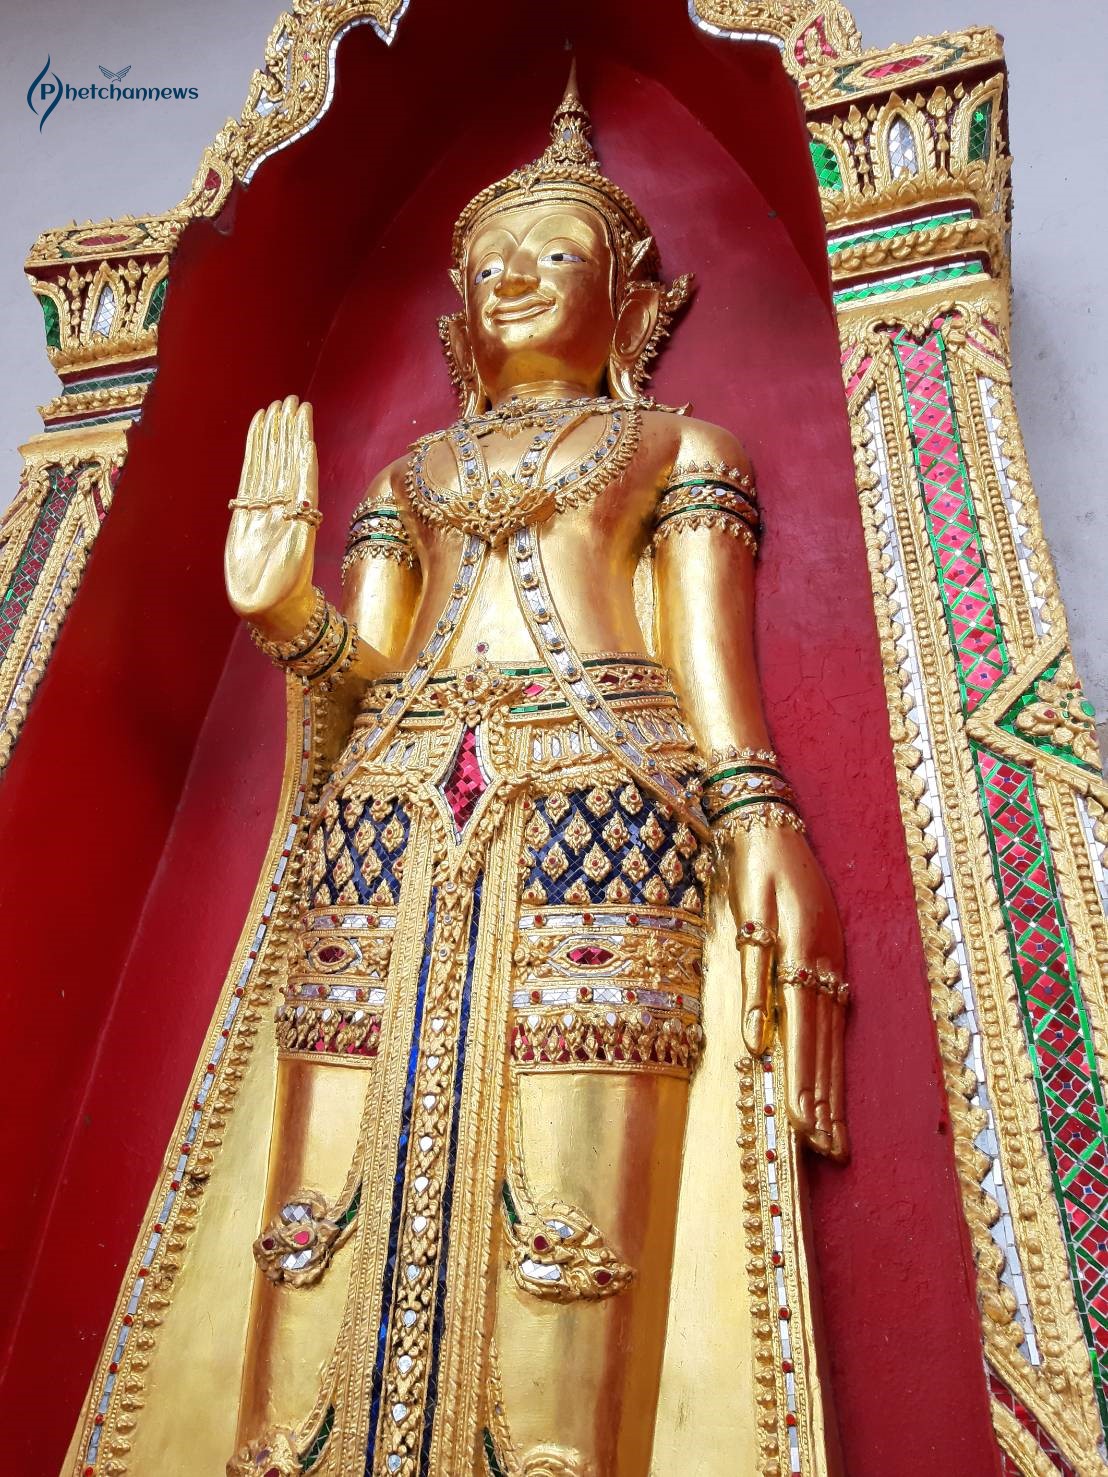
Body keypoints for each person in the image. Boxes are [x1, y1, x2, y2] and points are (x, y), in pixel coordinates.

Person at [224, 71, 847, 1477]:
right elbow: (359, 678)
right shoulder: (407, 478)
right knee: (319, 1199)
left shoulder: (679, 447)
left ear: (631, 306)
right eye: (487, 264)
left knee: (575, 1205)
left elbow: (715, 674)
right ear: (456, 318)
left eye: (553, 255)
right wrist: (286, 613)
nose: (511, 278)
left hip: (601, 809)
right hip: (388, 820)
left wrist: (763, 822)